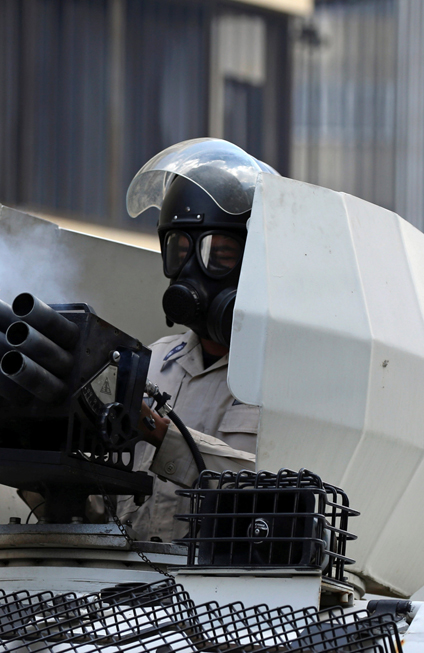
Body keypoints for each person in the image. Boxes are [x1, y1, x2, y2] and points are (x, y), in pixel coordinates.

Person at [116, 138, 271, 542]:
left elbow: (272, 492)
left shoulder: (285, 376)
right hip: (123, 590)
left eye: (217, 254)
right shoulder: (150, 363)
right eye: (179, 250)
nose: (189, 272)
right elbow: (101, 507)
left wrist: (160, 434)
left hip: (226, 600)